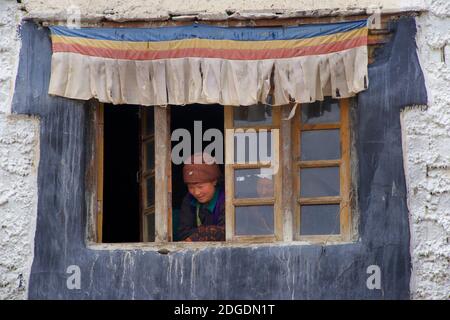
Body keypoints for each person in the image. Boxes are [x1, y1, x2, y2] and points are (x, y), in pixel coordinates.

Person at [177, 152, 225, 241]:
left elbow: (227, 232)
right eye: (191, 187)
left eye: (200, 187)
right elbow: (183, 233)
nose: (196, 192)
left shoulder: (227, 199)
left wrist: (198, 234)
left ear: (214, 181)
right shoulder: (189, 200)